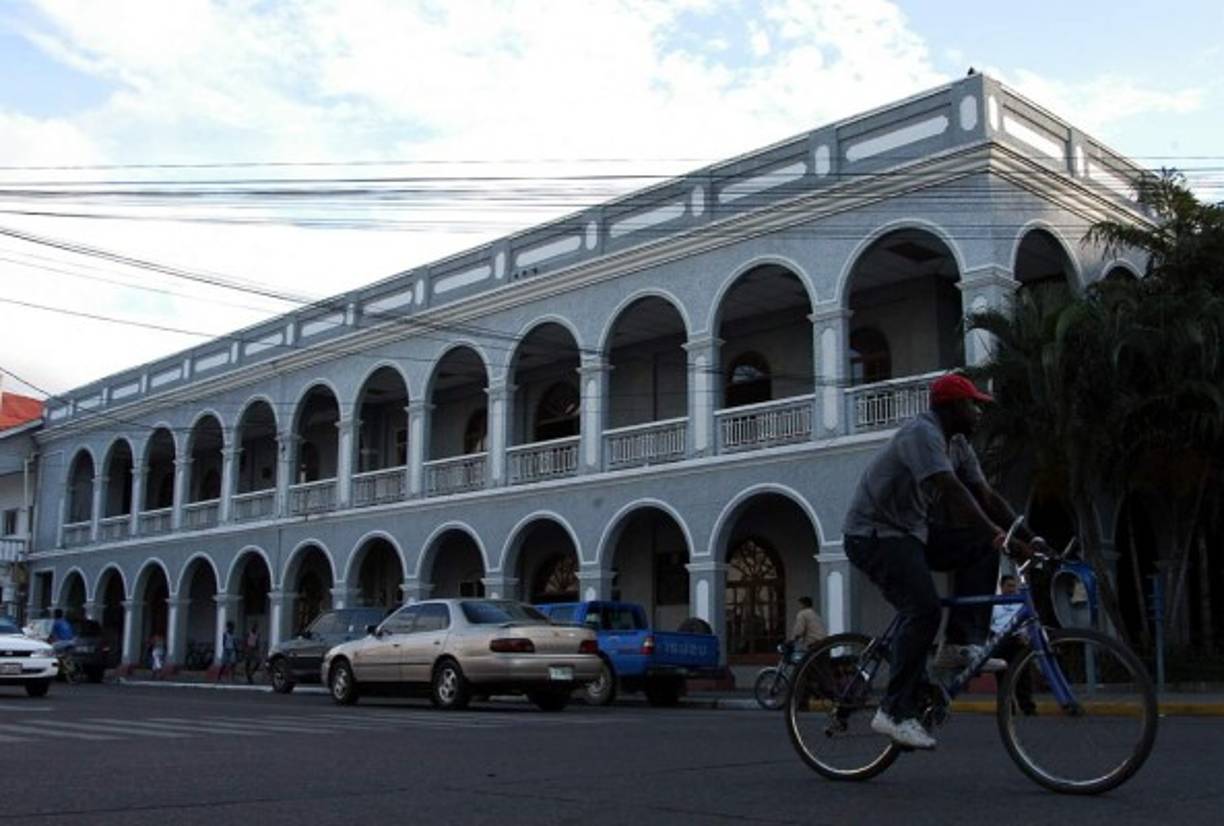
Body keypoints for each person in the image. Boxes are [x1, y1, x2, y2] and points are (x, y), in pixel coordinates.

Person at [842, 373, 1047, 750]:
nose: (979, 414)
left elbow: (985, 496)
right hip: (873, 534)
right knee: (923, 608)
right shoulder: (922, 434)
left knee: (980, 546)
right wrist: (1000, 537)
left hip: (913, 532)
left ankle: (960, 642)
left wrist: (1028, 535)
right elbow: (952, 492)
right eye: (974, 406)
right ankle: (893, 711)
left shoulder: (959, 446)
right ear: (953, 408)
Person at [992, 575, 1036, 715]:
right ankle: (1007, 709)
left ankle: (1028, 708)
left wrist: (1025, 636)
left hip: (1018, 640)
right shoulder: (995, 604)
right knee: (1003, 678)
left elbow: (1026, 623)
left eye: (1013, 586)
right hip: (1001, 641)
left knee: (1023, 676)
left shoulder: (1019, 603)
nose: (1012, 589)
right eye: (1009, 586)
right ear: (1002, 587)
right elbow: (990, 624)